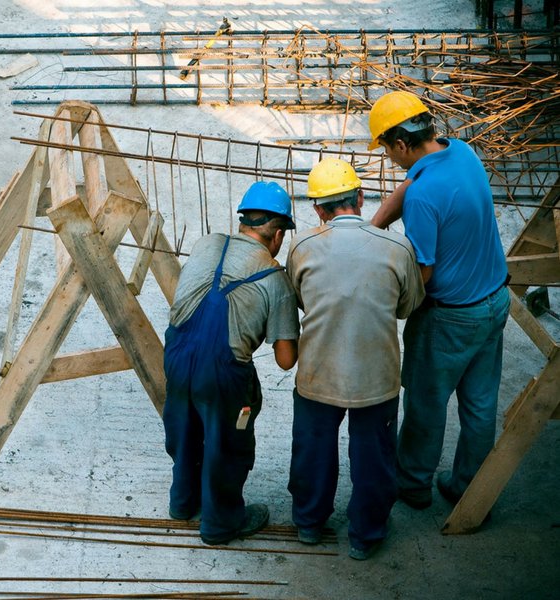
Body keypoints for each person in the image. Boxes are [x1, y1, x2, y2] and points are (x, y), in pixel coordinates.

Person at [367, 90, 510, 511]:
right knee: (481, 404)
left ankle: (412, 485)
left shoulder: (425, 198)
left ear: (400, 144)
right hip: (494, 301)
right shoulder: (461, 152)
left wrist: (391, 303)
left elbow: (422, 274)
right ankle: (468, 486)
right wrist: (371, 230)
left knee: (426, 404)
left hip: (450, 317)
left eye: (387, 150)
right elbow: (409, 185)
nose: (389, 159)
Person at [286, 158, 425, 560]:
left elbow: (300, 299)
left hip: (318, 374)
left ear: (317, 210)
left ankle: (309, 523)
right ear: (361, 198)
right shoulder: (398, 247)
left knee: (312, 450)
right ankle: (366, 534)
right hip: (375, 377)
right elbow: (407, 306)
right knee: (374, 457)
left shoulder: (302, 246)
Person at [163, 181, 300, 546]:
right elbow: (286, 361)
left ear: (243, 221)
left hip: (176, 353)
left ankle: (183, 503)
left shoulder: (206, 243)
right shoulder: (275, 278)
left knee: (185, 428)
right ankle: (220, 525)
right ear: (278, 235)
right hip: (223, 374)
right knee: (227, 444)